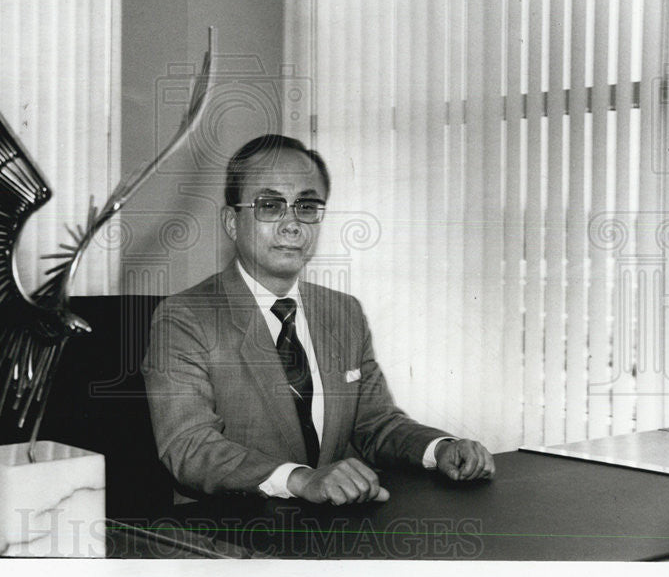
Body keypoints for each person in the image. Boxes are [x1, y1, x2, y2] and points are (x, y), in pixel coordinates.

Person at [141, 134, 494, 505]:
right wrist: (300, 480)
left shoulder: (345, 313)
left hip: (333, 533)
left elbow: (376, 423)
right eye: (270, 205)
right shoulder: (184, 318)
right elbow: (189, 446)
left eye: (306, 206)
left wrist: (439, 449)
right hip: (229, 536)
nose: (292, 224)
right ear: (232, 221)